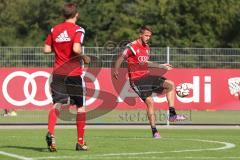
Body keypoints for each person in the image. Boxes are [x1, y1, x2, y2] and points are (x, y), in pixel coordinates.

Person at [114, 25, 186, 139]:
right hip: (136, 80)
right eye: (146, 35)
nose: (148, 38)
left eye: (149, 36)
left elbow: (146, 63)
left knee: (171, 85)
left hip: (146, 76)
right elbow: (121, 57)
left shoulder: (147, 47)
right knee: (150, 102)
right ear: (140, 35)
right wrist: (116, 69)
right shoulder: (132, 46)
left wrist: (161, 66)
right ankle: (154, 131)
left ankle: (172, 115)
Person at [44, 3, 90, 152]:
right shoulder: (78, 29)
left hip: (58, 72)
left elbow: (46, 49)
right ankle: (80, 142)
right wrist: (84, 57)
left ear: (63, 15)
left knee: (57, 103)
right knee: (80, 107)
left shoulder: (54, 29)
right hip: (73, 73)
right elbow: (76, 48)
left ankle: (51, 132)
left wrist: (59, 51)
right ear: (77, 15)